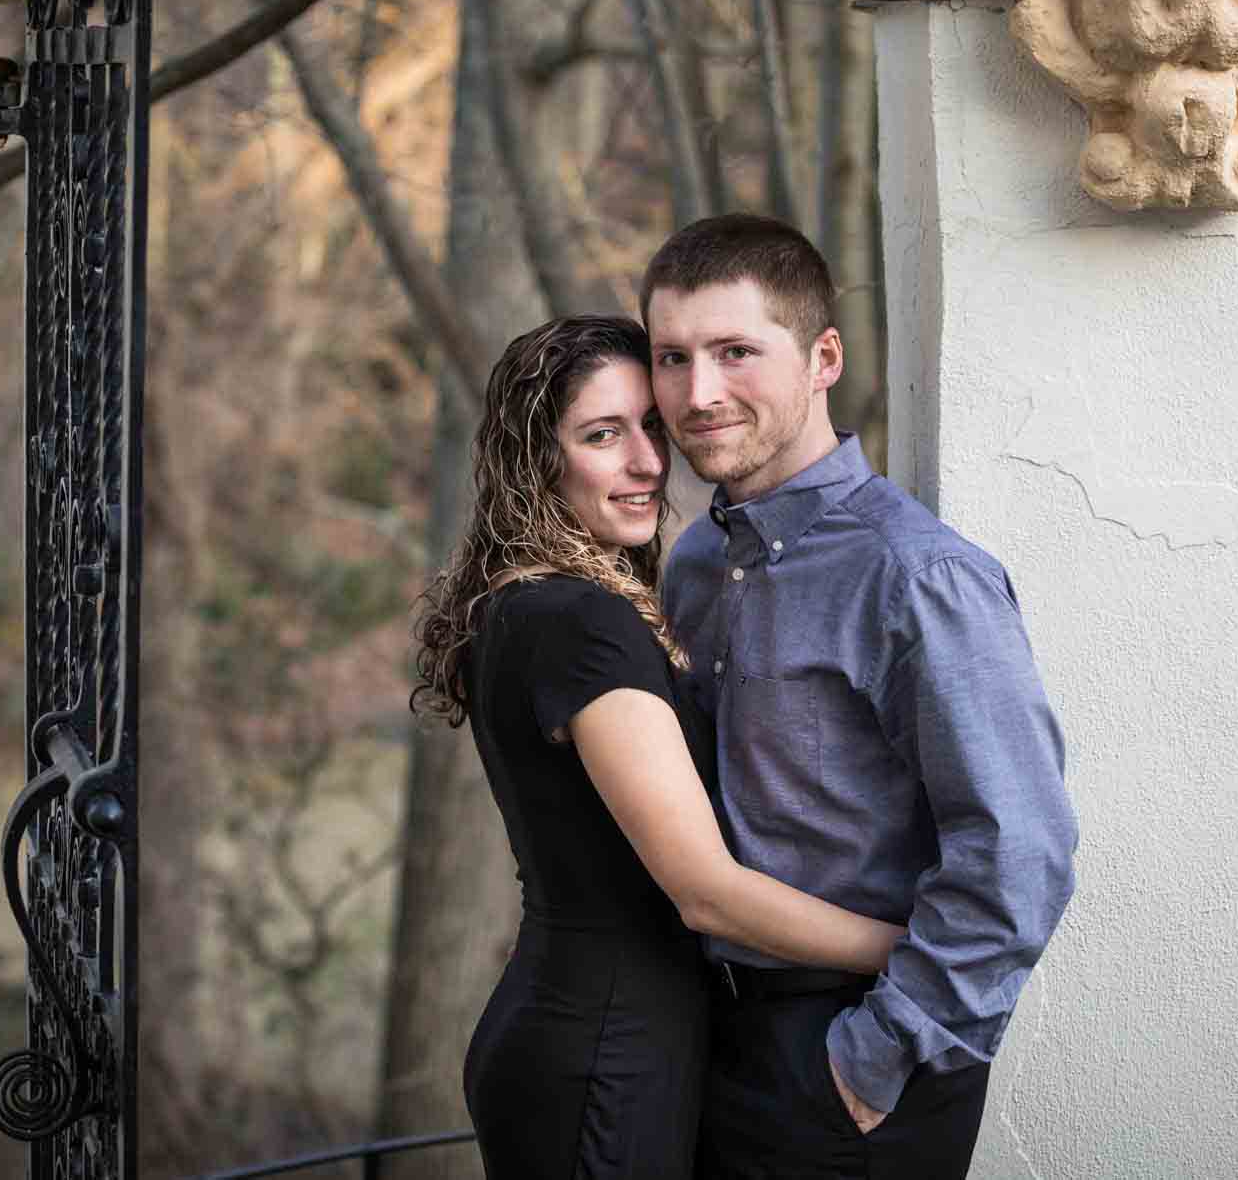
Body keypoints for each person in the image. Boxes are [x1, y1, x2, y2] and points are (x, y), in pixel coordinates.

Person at [410, 314, 908, 1180]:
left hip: (597, 1031)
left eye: (651, 426)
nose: (647, 462)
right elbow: (706, 893)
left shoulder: (531, 599)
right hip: (603, 1049)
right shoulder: (578, 620)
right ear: (538, 460)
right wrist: (911, 948)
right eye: (603, 435)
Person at [643, 214, 1079, 1180]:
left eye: (735, 352)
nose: (698, 392)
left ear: (823, 356)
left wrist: (869, 1064)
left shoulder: (918, 576)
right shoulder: (699, 562)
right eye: (672, 357)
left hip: (853, 1058)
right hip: (714, 1036)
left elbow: (1019, 854)